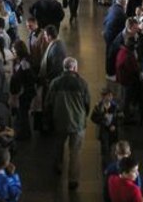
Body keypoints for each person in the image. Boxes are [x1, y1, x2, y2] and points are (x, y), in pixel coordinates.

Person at [45, 57, 91, 190]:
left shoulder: (55, 83)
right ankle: (73, 180)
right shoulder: (82, 83)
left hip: (59, 121)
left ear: (63, 68)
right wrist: (83, 116)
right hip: (77, 123)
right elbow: (87, 104)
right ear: (75, 68)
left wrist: (49, 117)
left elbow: (49, 102)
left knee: (58, 145)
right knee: (75, 152)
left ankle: (58, 166)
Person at [91, 87, 121, 170]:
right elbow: (93, 118)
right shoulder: (99, 106)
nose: (109, 98)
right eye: (107, 96)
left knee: (110, 146)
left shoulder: (115, 106)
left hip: (112, 131)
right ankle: (106, 165)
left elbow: (120, 117)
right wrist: (102, 119)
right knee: (105, 148)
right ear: (103, 96)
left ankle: (107, 162)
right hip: (103, 130)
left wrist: (115, 124)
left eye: (111, 96)